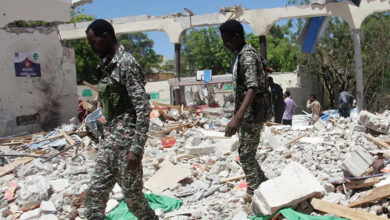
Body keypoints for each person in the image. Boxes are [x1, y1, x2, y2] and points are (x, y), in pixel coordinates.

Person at [84, 19, 158, 220]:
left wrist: (136, 148)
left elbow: (143, 108)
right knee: (94, 196)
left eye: (94, 43)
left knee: (133, 198)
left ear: (105, 37)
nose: (92, 48)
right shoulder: (107, 65)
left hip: (127, 147)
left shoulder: (126, 64)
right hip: (109, 144)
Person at [220, 19, 268, 202]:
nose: (225, 45)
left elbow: (252, 87)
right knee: (246, 152)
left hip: (252, 114)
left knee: (246, 154)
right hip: (248, 114)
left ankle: (254, 194)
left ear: (237, 36)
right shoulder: (243, 54)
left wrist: (237, 118)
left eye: (227, 41)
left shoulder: (246, 56)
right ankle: (262, 183)